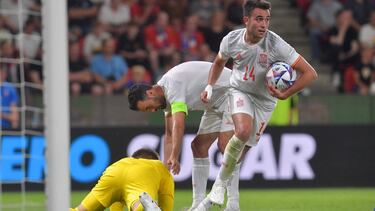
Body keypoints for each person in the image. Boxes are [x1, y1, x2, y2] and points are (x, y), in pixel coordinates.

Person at [198, 0, 318, 209]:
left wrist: (285, 94)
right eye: (259, 19)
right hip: (239, 91)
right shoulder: (232, 39)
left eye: (267, 19)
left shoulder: (275, 44)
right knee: (240, 133)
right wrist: (209, 85)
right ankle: (218, 188)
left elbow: (310, 74)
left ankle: (231, 203)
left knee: (237, 152)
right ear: (246, 20)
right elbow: (219, 62)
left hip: (265, 102)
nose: (264, 24)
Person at [128, 61, 250, 210]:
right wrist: (167, 168)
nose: (152, 111)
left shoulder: (172, 86)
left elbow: (179, 125)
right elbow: (169, 134)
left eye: (148, 107)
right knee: (198, 146)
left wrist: (175, 155)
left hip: (232, 92)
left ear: (150, 93)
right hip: (215, 102)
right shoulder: (163, 97)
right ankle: (198, 204)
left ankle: (233, 205)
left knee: (225, 146)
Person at [70, 148, 174, 211]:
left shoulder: (125, 162)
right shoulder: (160, 168)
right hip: (141, 175)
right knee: (138, 202)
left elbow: (116, 207)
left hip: (114, 171)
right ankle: (142, 206)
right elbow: (166, 205)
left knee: (81, 210)